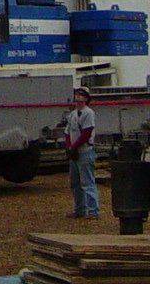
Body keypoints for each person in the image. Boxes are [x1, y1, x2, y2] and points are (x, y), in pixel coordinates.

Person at [64, 86, 99, 218]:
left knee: (87, 182)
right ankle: (80, 209)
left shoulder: (88, 113)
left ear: (86, 99)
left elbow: (86, 133)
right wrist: (69, 146)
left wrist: (73, 146)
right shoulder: (73, 114)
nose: (78, 98)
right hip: (75, 151)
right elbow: (67, 132)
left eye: (81, 96)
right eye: (77, 96)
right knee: (75, 183)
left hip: (84, 150)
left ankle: (93, 211)